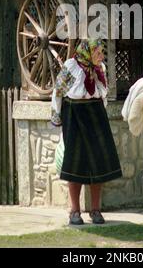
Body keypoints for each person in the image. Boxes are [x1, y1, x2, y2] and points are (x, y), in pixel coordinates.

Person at [51, 38, 122, 225]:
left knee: (98, 162)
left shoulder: (99, 69)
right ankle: (74, 211)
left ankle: (95, 210)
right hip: (74, 114)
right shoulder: (71, 66)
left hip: (96, 113)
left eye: (101, 52)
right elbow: (58, 92)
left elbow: (102, 92)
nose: (101, 56)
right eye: (98, 52)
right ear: (87, 53)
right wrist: (57, 115)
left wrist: (101, 111)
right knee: (75, 163)